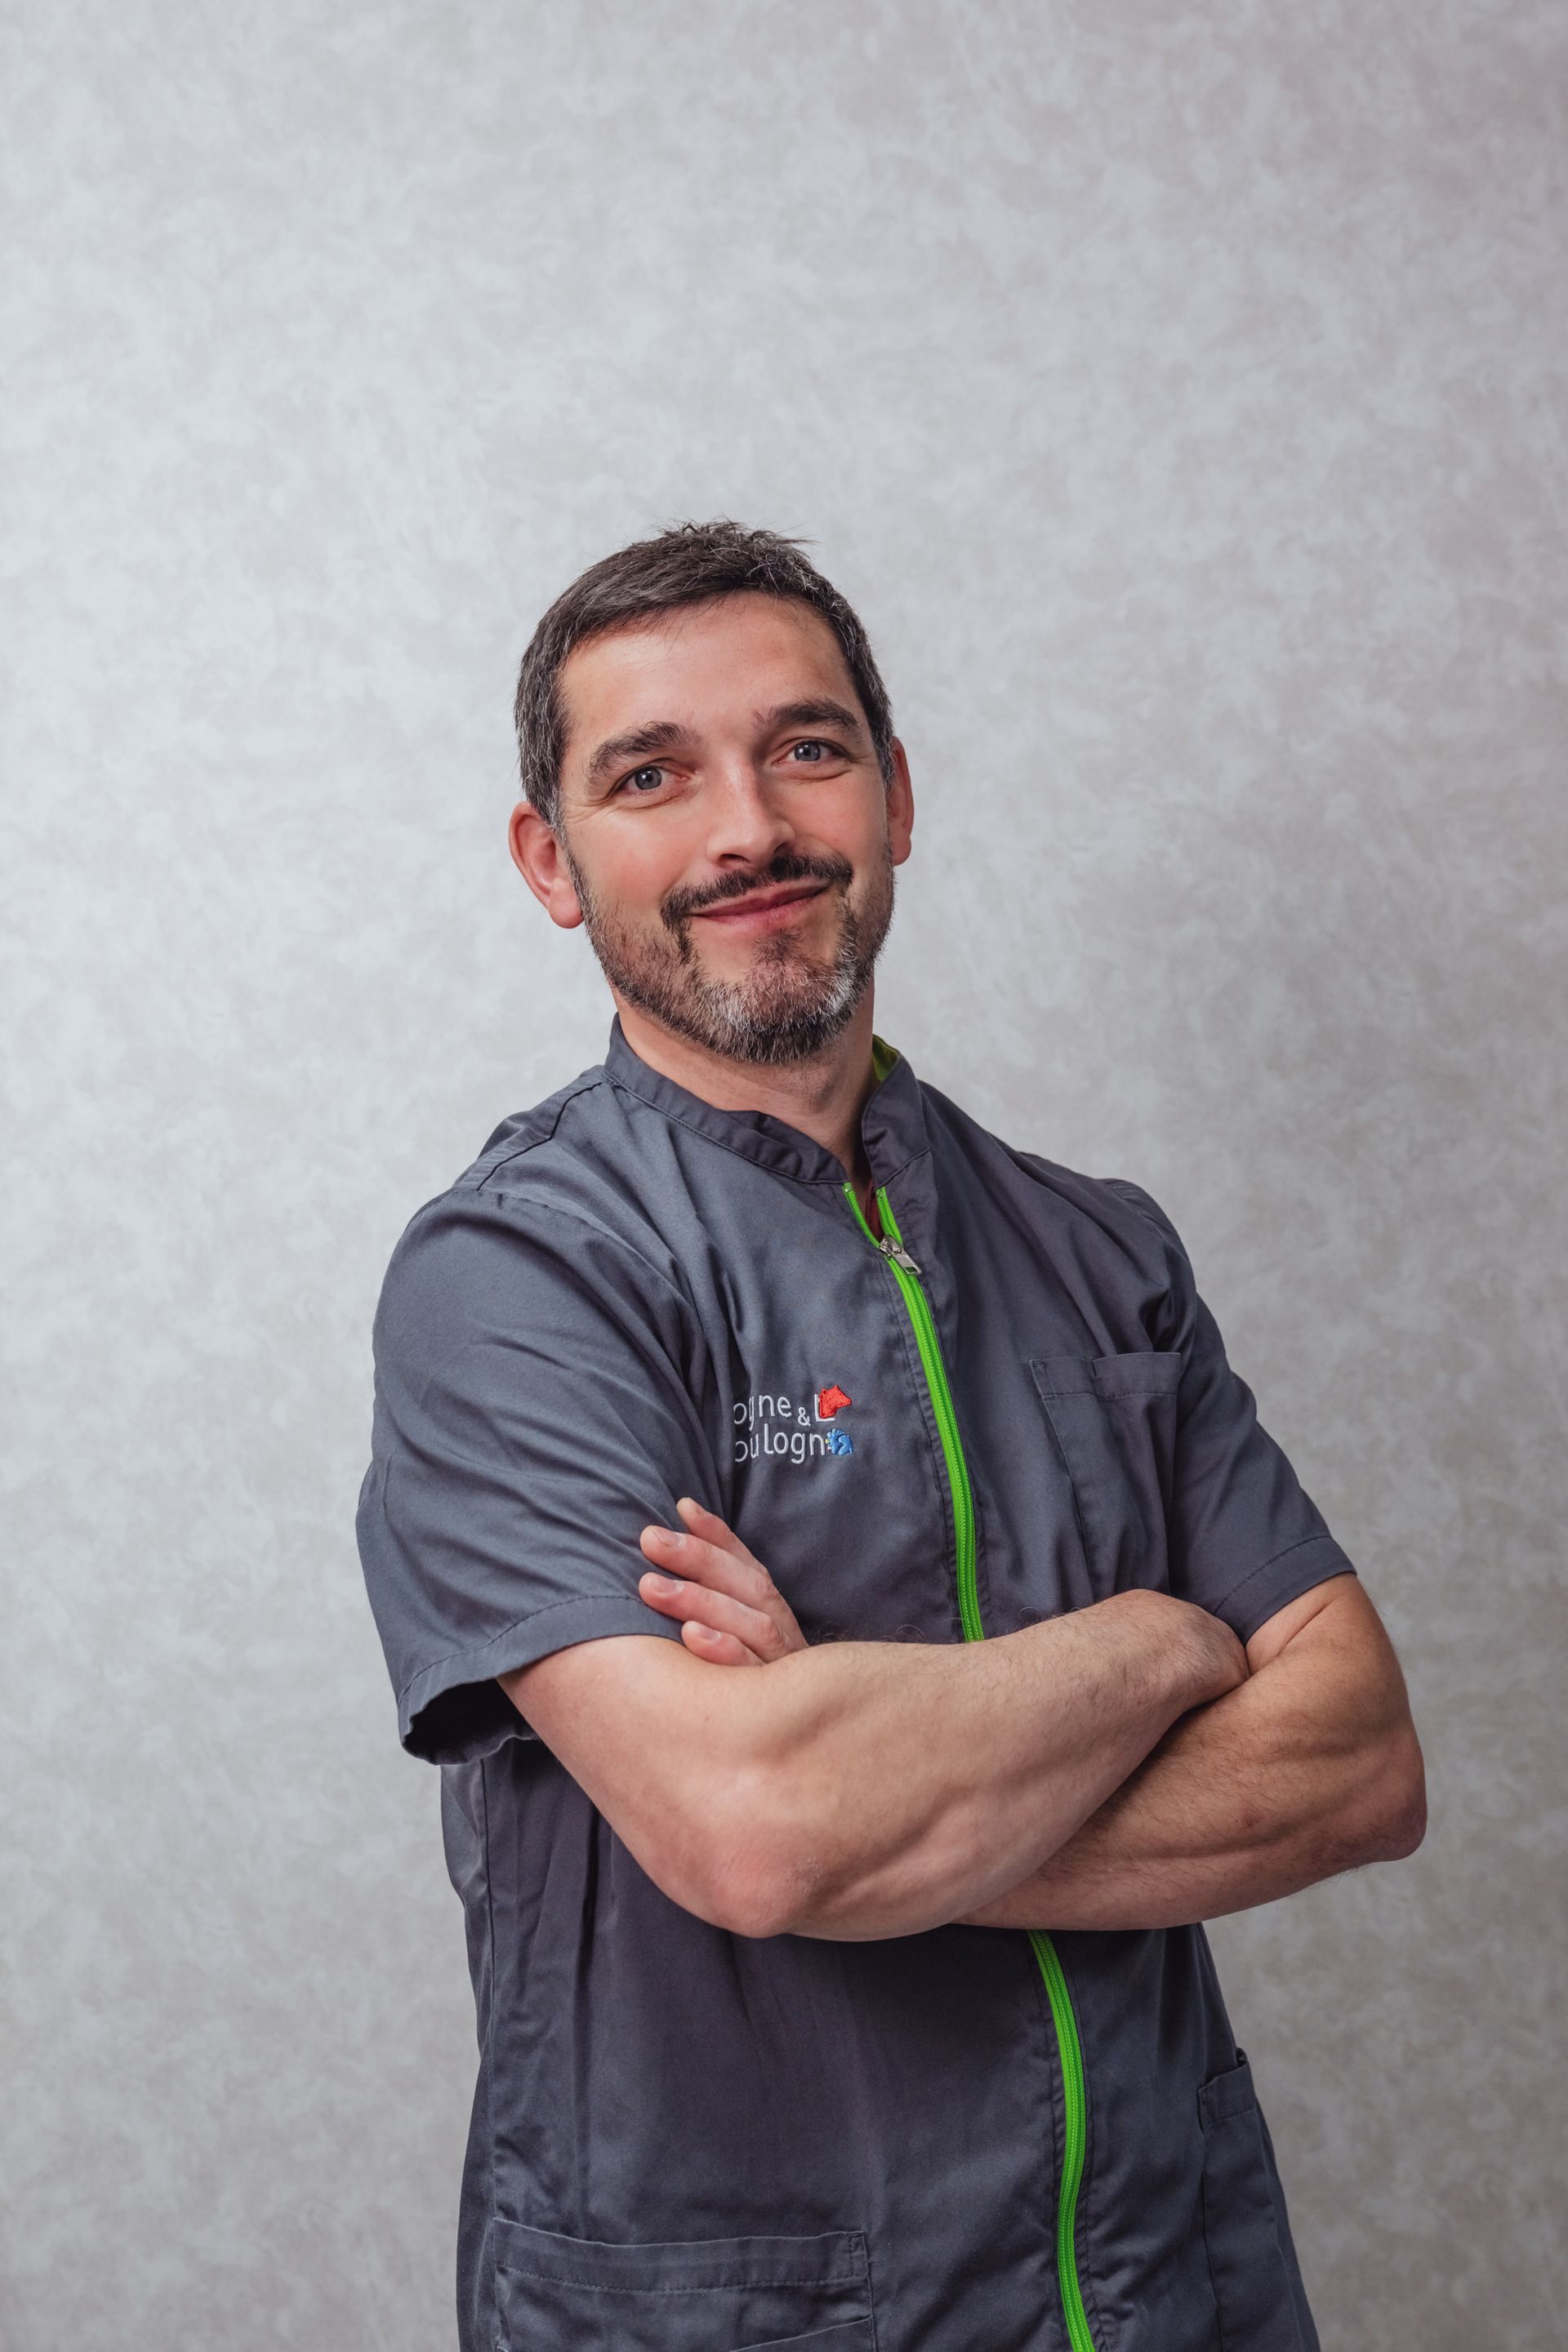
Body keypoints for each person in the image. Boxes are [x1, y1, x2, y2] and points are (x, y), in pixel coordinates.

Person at [355, 520, 1426, 2352]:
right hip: (742, 2313)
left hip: (1165, 2290)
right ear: (553, 860)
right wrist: (1160, 1648)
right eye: (650, 774)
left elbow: (1361, 1764)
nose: (747, 828)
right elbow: (762, 1830)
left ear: (898, 796)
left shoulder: (1101, 1253)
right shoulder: (519, 1277)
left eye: (807, 746)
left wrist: (879, 1790)